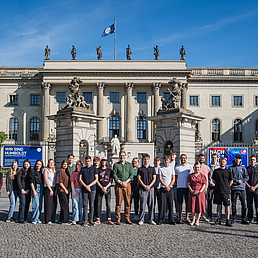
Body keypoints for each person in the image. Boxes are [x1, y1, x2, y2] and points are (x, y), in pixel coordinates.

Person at [113, 150, 133, 225]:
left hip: (127, 185)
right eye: (121, 155)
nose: (122, 157)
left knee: (127, 202)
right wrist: (120, 182)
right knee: (118, 202)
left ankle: (127, 218)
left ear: (125, 156)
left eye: (123, 155)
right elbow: (114, 175)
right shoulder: (116, 165)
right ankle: (118, 218)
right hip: (119, 185)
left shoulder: (129, 165)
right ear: (119, 156)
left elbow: (131, 175)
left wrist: (126, 182)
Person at [212, 157, 233, 227]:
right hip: (218, 190)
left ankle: (227, 220)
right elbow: (213, 180)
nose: (222, 163)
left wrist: (227, 186)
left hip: (226, 191)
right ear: (219, 162)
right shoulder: (216, 171)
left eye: (223, 161)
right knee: (218, 205)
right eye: (221, 161)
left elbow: (231, 180)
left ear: (226, 162)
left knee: (227, 206)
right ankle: (218, 219)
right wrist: (218, 185)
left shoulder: (228, 171)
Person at [137, 153, 156, 225]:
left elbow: (154, 178)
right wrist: (145, 186)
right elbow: (139, 178)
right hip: (142, 188)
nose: (146, 160)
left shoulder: (152, 169)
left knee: (151, 204)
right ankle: (141, 219)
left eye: (147, 159)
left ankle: (151, 219)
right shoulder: (140, 169)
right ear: (143, 160)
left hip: (151, 188)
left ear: (149, 160)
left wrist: (149, 186)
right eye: (145, 159)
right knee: (142, 204)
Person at [230, 154, 249, 224]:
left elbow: (247, 177)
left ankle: (243, 218)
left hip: (242, 188)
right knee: (233, 204)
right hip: (234, 188)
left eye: (239, 159)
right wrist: (237, 181)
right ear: (235, 159)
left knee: (243, 204)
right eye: (236, 158)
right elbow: (230, 177)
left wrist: (242, 181)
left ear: (240, 160)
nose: (237, 160)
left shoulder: (243, 168)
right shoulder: (231, 168)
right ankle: (234, 217)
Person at [79, 156, 98, 226]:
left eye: (89, 161)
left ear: (91, 161)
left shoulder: (94, 169)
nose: (87, 162)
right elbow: (80, 179)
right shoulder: (83, 169)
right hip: (84, 189)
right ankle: (85, 220)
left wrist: (89, 186)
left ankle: (91, 220)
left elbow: (96, 179)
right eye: (86, 161)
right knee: (85, 204)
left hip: (92, 189)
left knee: (92, 205)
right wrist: (85, 186)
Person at [175, 154, 193, 223]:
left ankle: (187, 217)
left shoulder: (189, 167)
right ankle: (180, 217)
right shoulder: (177, 167)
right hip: (179, 187)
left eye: (184, 158)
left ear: (186, 159)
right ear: (180, 159)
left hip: (187, 187)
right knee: (179, 203)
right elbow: (175, 177)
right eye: (182, 158)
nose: (183, 159)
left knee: (187, 203)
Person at [95, 158, 114, 225]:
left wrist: (106, 187)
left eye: (105, 161)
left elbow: (111, 181)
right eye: (102, 161)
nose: (103, 162)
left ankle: (108, 218)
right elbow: (97, 180)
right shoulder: (98, 170)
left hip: (107, 189)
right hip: (100, 188)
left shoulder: (109, 170)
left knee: (108, 204)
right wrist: (101, 187)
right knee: (98, 204)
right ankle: (98, 218)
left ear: (106, 162)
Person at [187, 162, 207, 226]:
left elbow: (204, 184)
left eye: (198, 167)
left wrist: (200, 191)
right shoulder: (190, 176)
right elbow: (188, 183)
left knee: (199, 206)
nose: (197, 169)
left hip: (200, 192)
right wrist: (191, 190)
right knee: (192, 206)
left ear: (200, 168)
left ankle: (197, 220)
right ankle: (193, 219)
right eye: (195, 167)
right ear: (193, 168)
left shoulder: (202, 176)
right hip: (192, 192)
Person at [158, 155, 176, 225]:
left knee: (170, 204)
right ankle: (161, 219)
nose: (166, 161)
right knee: (162, 204)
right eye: (165, 160)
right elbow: (160, 179)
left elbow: (173, 178)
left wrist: (169, 186)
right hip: (163, 188)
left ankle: (171, 219)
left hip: (170, 188)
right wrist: (165, 186)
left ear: (169, 161)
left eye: (167, 160)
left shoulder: (171, 169)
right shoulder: (161, 169)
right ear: (163, 161)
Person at [43, 159, 57, 224]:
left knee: (54, 203)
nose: (51, 164)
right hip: (48, 188)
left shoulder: (54, 170)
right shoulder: (45, 170)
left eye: (52, 163)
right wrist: (50, 190)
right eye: (50, 163)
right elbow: (46, 180)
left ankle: (52, 218)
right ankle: (48, 219)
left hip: (54, 187)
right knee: (48, 204)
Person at [30, 160, 44, 224]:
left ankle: (38, 218)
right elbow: (31, 182)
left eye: (39, 164)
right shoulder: (32, 172)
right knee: (36, 204)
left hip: (41, 188)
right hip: (35, 188)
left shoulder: (42, 172)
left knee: (40, 205)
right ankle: (34, 219)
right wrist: (33, 191)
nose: (38, 165)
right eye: (37, 164)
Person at [198, 153, 210, 222]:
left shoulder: (207, 167)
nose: (201, 159)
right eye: (200, 158)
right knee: (197, 202)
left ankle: (203, 215)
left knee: (204, 202)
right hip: (196, 187)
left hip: (205, 187)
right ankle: (197, 215)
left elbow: (208, 177)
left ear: (204, 159)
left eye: (202, 158)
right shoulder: (195, 166)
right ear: (198, 158)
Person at [70, 160, 83, 225]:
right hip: (75, 189)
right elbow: (72, 182)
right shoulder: (73, 173)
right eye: (78, 164)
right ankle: (75, 219)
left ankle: (80, 219)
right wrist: (73, 191)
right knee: (75, 205)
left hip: (82, 190)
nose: (79, 166)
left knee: (81, 206)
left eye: (80, 164)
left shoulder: (83, 172)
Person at [246, 155, 258, 223]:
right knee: (249, 204)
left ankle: (257, 217)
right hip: (249, 189)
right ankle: (250, 217)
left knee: (257, 204)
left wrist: (254, 187)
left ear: (255, 160)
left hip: (256, 189)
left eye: (253, 160)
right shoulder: (247, 169)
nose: (252, 161)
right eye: (251, 160)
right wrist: (249, 187)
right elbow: (245, 179)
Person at [207, 153, 220, 220]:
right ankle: (209, 214)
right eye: (212, 157)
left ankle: (218, 215)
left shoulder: (219, 166)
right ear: (211, 158)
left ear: (217, 158)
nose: (214, 159)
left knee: (218, 201)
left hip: (218, 186)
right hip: (210, 186)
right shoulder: (208, 166)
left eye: (215, 157)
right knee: (209, 201)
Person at [169, 151, 178, 220]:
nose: (172, 157)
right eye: (171, 155)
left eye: (173, 155)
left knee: (176, 200)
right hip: (168, 185)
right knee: (168, 201)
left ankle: (177, 213)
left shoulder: (177, 164)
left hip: (176, 185)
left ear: (175, 156)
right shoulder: (167, 164)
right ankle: (167, 213)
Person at [131, 157, 140, 221]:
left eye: (136, 161)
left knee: (136, 202)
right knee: (129, 202)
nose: (134, 163)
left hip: (137, 187)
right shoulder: (130, 169)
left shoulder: (139, 169)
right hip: (130, 187)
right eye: (133, 161)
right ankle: (127, 214)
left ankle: (136, 215)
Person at [153, 157, 161, 222]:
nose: (156, 162)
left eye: (158, 161)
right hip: (153, 188)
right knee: (152, 203)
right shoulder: (152, 169)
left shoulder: (161, 168)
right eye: (155, 161)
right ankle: (152, 217)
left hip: (160, 188)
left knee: (160, 203)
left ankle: (160, 217)